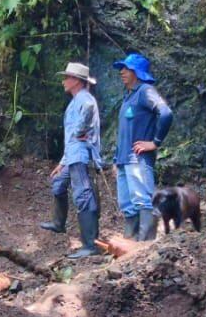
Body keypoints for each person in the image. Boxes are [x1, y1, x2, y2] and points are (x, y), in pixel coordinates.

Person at [40, 62, 103, 258]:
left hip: (82, 156)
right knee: (59, 183)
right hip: (72, 155)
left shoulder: (85, 99)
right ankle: (59, 223)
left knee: (83, 195)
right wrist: (62, 161)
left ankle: (90, 245)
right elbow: (71, 138)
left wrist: (81, 130)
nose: (63, 81)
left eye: (66, 77)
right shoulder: (75, 100)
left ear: (76, 81)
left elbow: (86, 117)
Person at [111, 52, 174, 242]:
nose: (121, 72)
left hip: (137, 158)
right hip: (124, 159)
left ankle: (144, 248)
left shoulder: (145, 91)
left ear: (137, 72)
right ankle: (129, 244)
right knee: (127, 204)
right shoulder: (129, 96)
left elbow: (165, 113)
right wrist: (117, 159)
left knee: (143, 200)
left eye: (126, 68)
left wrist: (155, 143)